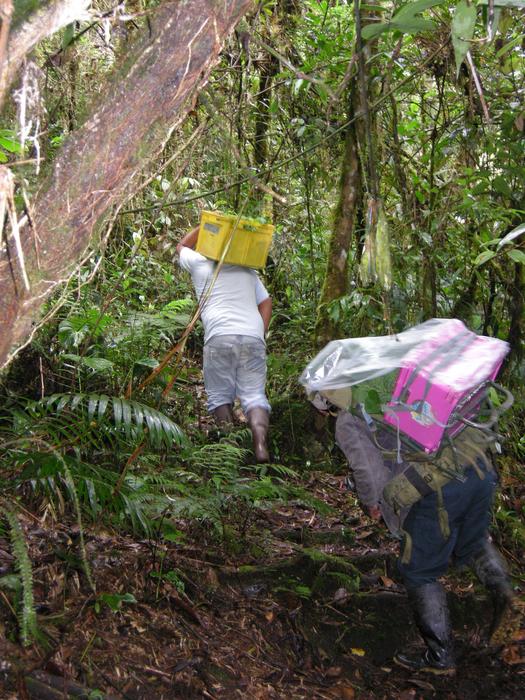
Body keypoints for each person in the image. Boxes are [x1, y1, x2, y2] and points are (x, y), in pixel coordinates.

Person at [318, 397, 516, 675]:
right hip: (475, 465)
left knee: (418, 570)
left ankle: (440, 656)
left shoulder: (350, 418)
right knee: (472, 543)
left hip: (435, 485)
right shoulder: (405, 381)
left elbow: (370, 474)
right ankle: (511, 600)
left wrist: (373, 502)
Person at [176, 224, 272, 463]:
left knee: (219, 395)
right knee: (254, 395)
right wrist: (259, 332)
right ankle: (260, 445)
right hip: (252, 334)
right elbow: (266, 302)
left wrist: (208, 223)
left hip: (219, 335)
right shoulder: (247, 272)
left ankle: (229, 449)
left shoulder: (199, 263)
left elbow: (180, 247)